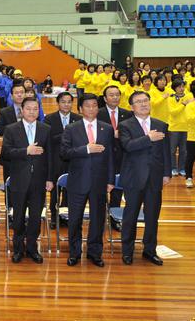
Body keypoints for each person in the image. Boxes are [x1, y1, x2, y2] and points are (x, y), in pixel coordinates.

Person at [60, 93, 114, 268]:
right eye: (87, 106)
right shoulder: (71, 128)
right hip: (77, 181)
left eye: (94, 105)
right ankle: (74, 252)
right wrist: (86, 149)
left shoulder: (107, 128)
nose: (91, 109)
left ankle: (95, 252)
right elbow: (65, 153)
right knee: (74, 219)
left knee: (98, 219)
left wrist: (110, 180)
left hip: (99, 181)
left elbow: (111, 157)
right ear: (81, 109)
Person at [119, 91, 171, 266]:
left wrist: (166, 173)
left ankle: (150, 250)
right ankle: (127, 251)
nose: (143, 104)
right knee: (130, 216)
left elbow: (165, 152)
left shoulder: (161, 124)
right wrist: (148, 138)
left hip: (155, 177)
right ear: (132, 107)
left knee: (152, 217)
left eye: (146, 101)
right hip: (134, 177)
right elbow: (128, 146)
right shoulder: (125, 125)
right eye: (139, 102)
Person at [1, 97, 53, 264]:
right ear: (21, 111)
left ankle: (32, 248)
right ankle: (18, 249)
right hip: (18, 180)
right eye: (28, 109)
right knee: (18, 217)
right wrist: (26, 151)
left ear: (39, 111)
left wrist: (50, 178)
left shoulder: (46, 129)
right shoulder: (11, 129)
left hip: (39, 181)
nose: (32, 112)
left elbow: (51, 158)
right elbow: (5, 154)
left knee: (36, 217)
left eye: (35, 109)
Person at [43, 92, 82, 229]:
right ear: (58, 103)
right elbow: (48, 139)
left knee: (69, 190)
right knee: (55, 191)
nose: (66, 104)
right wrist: (66, 133)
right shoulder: (49, 119)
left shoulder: (78, 119)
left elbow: (80, 139)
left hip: (72, 161)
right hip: (55, 160)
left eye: (69, 102)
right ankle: (53, 216)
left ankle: (64, 216)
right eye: (63, 102)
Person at [97, 85, 133, 231]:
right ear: (105, 98)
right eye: (111, 95)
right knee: (100, 189)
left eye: (117, 95)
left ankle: (114, 219)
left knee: (118, 189)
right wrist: (112, 134)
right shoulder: (98, 113)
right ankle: (99, 218)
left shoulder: (128, 114)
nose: (115, 97)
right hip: (102, 156)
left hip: (121, 157)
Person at [168, 79, 192, 177]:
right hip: (174, 128)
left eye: (183, 86)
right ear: (174, 88)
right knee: (172, 150)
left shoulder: (189, 97)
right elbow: (173, 112)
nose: (181, 89)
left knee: (184, 150)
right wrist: (183, 104)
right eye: (179, 87)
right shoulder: (170, 98)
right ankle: (173, 168)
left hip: (186, 127)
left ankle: (182, 168)